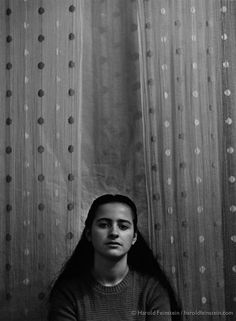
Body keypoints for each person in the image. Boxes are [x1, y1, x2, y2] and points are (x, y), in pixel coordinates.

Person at [48, 194, 182, 320]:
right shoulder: (68, 294)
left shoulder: (152, 291)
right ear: (88, 234)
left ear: (134, 237)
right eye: (104, 225)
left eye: (123, 226)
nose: (114, 233)